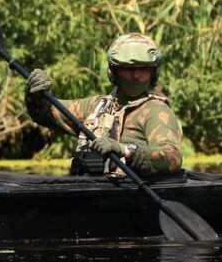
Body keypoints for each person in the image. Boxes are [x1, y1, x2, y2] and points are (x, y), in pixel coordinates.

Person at [25, 33, 183, 177]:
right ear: (113, 71)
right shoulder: (96, 106)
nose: (136, 75)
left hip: (130, 197)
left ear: (153, 73)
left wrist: (126, 150)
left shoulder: (155, 111)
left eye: (144, 69)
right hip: (87, 192)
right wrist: (36, 95)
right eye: (129, 68)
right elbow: (46, 113)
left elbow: (171, 156)